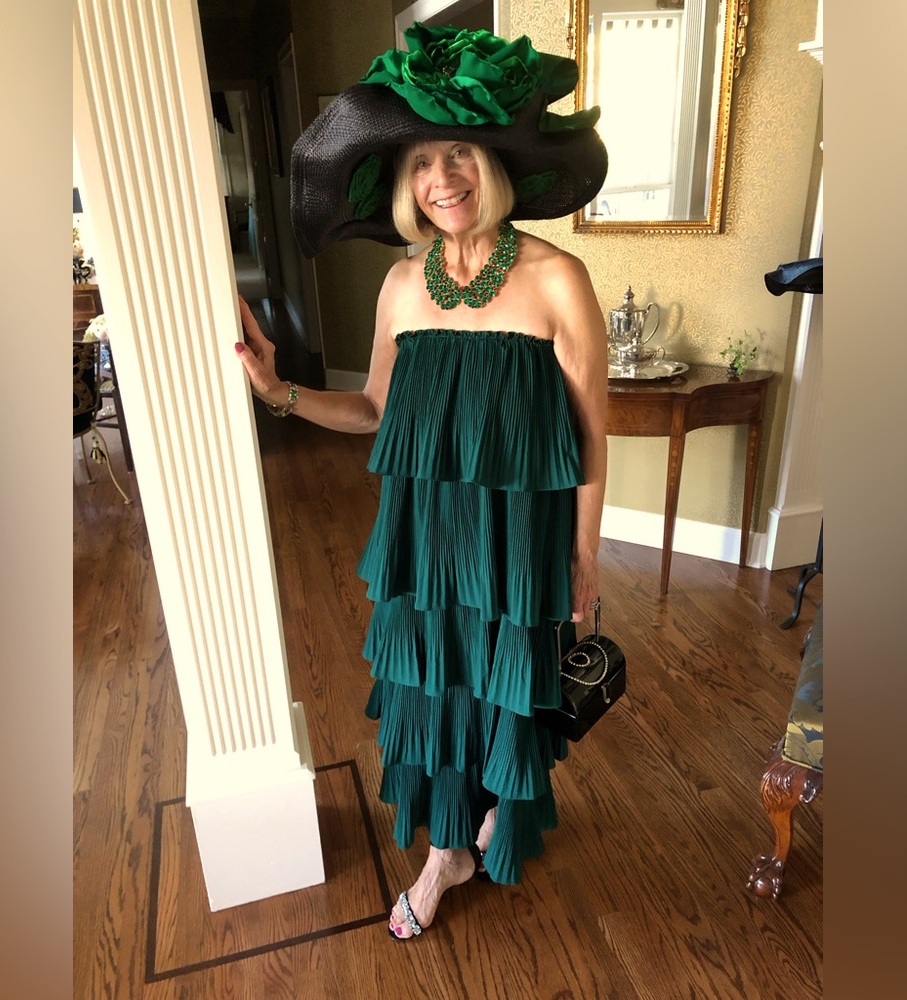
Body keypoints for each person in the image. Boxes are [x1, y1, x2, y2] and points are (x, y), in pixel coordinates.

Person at [235, 24, 609, 941]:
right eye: (419, 162)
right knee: (436, 693)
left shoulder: (559, 281)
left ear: (494, 163)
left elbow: (591, 435)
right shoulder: (402, 287)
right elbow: (373, 409)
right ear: (403, 184)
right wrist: (282, 393)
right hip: (426, 541)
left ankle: (491, 823)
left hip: (520, 543)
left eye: (459, 153)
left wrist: (585, 556)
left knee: (506, 688)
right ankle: (446, 853)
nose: (442, 178)